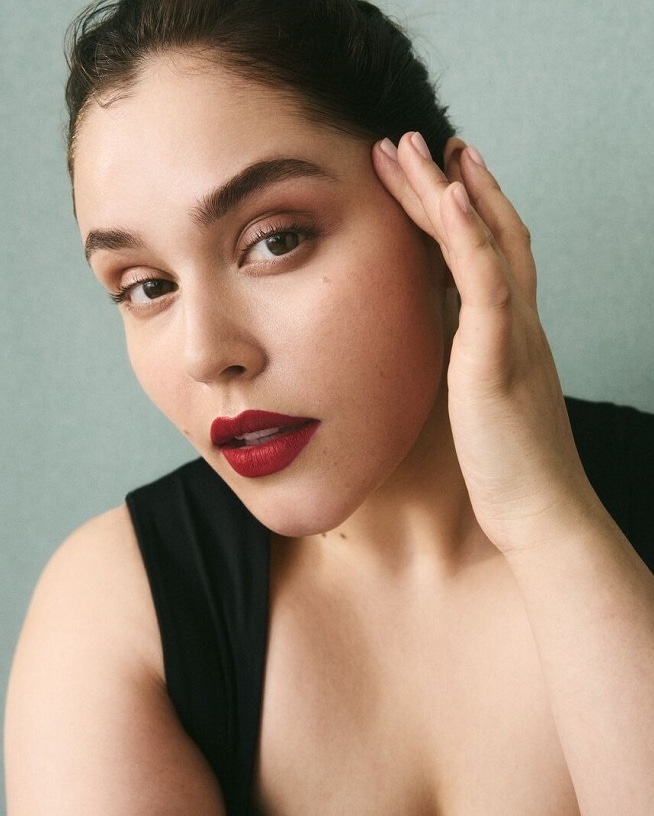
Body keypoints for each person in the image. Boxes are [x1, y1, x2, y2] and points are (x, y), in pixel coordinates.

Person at [4, 0, 654, 813]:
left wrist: (546, 518)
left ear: (446, 213)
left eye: (275, 239)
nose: (207, 353)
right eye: (147, 286)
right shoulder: (116, 612)